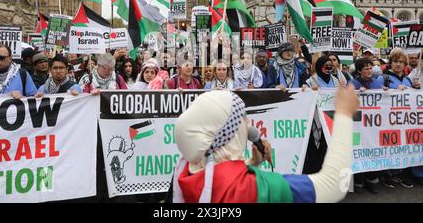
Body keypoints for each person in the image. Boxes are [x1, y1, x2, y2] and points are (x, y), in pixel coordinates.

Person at [167, 83, 360, 203]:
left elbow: (218, 181)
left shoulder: (187, 170)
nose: (248, 123)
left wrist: (253, 163)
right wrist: (343, 114)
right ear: (228, 133)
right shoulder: (251, 187)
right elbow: (334, 186)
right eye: (241, 117)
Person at [375, 48, 415, 189]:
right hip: (387, 121)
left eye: (401, 62)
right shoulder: (383, 78)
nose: (398, 64)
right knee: (388, 147)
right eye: (395, 61)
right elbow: (373, 97)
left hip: (404, 121)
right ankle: (387, 175)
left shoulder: (408, 79)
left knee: (402, 147)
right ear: (390, 63)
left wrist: (414, 90)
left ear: (405, 65)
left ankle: (400, 174)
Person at [348, 58, 382, 194]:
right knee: (359, 152)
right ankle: (358, 182)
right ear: (359, 71)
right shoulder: (353, 83)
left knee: (372, 151)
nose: (369, 71)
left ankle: (371, 181)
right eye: (366, 68)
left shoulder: (375, 83)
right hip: (358, 126)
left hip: (372, 125)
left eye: (370, 68)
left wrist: (385, 92)